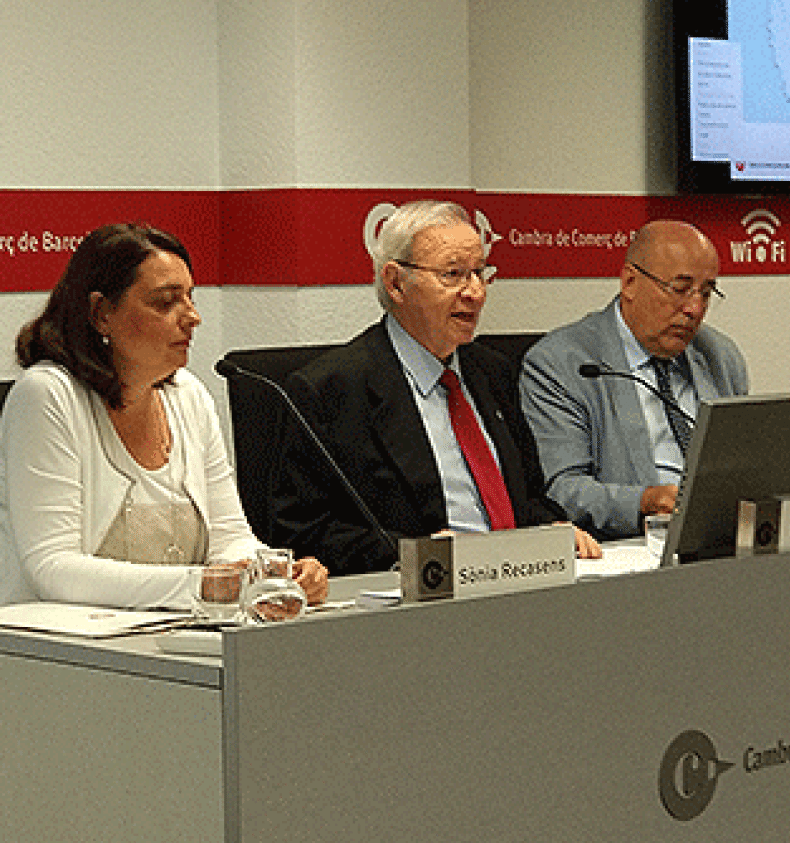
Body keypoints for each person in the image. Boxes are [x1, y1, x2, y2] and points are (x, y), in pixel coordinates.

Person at [0, 222, 329, 611]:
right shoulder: (48, 395)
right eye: (165, 302)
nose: (192, 317)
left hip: (153, 638)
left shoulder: (190, 396)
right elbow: (52, 568)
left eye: (190, 297)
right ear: (101, 313)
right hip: (28, 649)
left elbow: (230, 538)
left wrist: (272, 574)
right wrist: (204, 586)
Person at [270, 200, 601, 577]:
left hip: (516, 582)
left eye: (479, 273)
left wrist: (551, 528)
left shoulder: (492, 372)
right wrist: (417, 554)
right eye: (454, 275)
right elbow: (302, 530)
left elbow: (526, 496)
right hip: (421, 599)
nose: (475, 292)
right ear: (396, 283)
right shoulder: (332, 391)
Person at [519, 219, 748, 540]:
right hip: (629, 546)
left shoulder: (719, 356)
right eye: (680, 289)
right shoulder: (562, 363)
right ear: (629, 282)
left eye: (706, 293)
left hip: (718, 539)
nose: (694, 309)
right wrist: (646, 501)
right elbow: (562, 489)